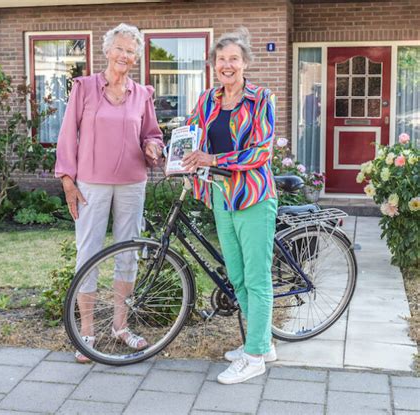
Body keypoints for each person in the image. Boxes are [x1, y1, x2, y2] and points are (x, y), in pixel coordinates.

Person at [55, 23, 163, 363]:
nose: (124, 56)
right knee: (88, 252)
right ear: (106, 50)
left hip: (132, 181)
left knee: (128, 252)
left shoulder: (142, 94)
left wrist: (153, 147)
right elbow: (66, 134)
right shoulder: (85, 88)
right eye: (119, 48)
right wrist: (67, 178)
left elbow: (153, 133)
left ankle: (120, 325)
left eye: (131, 51)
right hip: (91, 183)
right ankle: (86, 332)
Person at [182, 27, 278, 384]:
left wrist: (212, 158)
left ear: (245, 62)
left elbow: (261, 150)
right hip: (221, 195)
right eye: (221, 60)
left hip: (253, 196)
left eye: (233, 59)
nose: (227, 65)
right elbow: (190, 134)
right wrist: (176, 155)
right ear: (214, 65)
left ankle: (254, 357)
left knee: (256, 278)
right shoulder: (208, 99)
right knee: (236, 276)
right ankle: (262, 343)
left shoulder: (261, 98)